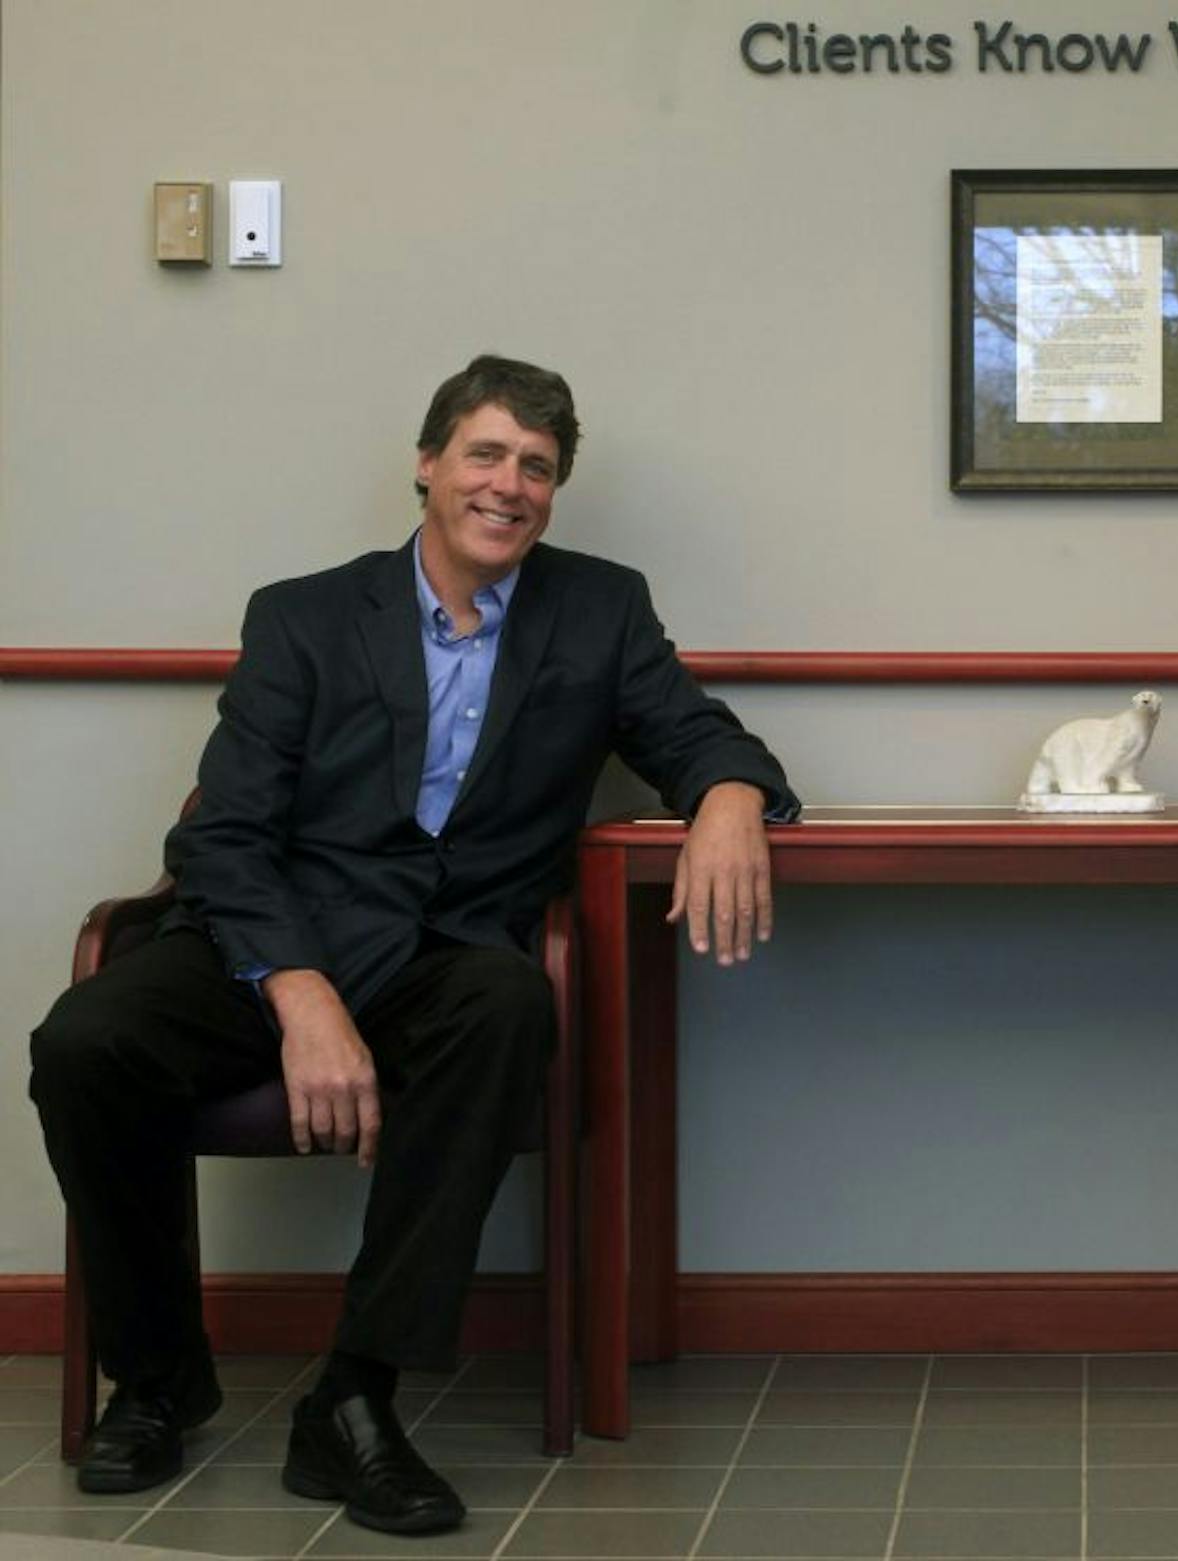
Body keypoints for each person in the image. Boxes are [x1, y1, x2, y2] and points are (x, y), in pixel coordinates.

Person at [30, 354, 799, 1534]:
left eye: (537, 468)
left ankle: (351, 1399)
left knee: (510, 1009)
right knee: (84, 1039)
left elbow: (698, 735)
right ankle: (157, 1381)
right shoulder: (304, 615)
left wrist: (733, 796)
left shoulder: (600, 609)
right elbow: (223, 837)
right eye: (486, 454)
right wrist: (300, 994)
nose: (510, 485)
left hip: (447, 952)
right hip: (280, 935)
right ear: (429, 463)